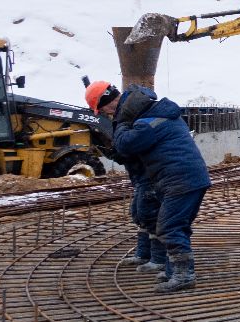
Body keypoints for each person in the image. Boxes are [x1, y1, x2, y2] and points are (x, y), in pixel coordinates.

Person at [87, 80, 210, 293]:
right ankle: (174, 271)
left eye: (105, 110)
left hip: (180, 179)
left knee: (170, 226)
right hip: (179, 178)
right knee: (171, 224)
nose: (107, 115)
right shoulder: (149, 113)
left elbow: (126, 144)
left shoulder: (147, 121)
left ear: (109, 104)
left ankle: (183, 276)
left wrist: (122, 125)